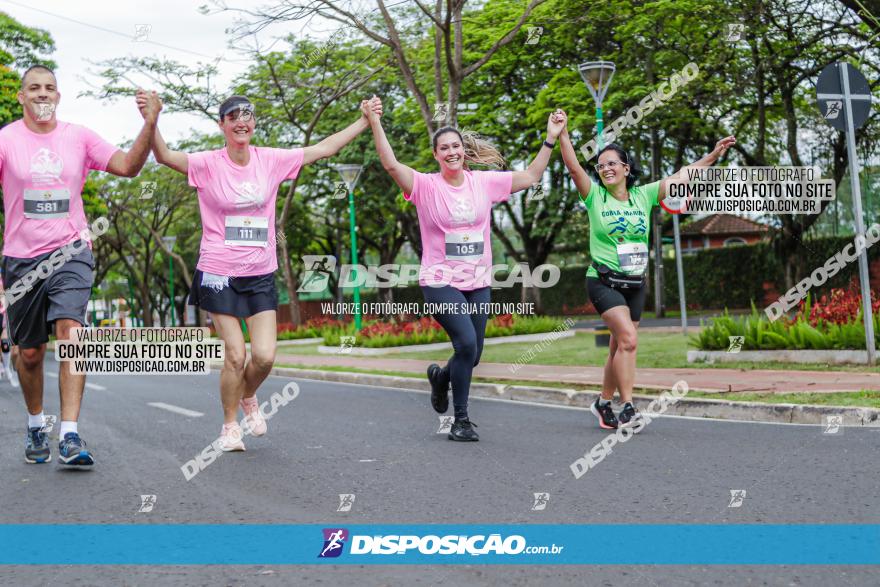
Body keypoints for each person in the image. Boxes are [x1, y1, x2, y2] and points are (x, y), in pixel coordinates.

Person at [151, 95, 372, 451]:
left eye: (248, 116)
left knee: (265, 356)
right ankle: (228, 427)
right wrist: (152, 120)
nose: (241, 122)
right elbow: (164, 156)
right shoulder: (207, 163)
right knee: (236, 354)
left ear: (254, 124)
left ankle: (248, 394)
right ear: (222, 125)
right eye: (233, 117)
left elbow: (324, 148)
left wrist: (364, 120)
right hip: (218, 272)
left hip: (258, 274)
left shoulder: (271, 160)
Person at [363, 95, 566, 441]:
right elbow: (391, 165)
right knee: (467, 343)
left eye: (456, 146)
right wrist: (375, 122)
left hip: (478, 281)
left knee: (471, 354)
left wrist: (551, 137)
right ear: (436, 155)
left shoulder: (483, 183)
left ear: (463, 150)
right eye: (444, 148)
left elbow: (532, 176)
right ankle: (461, 420)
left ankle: (442, 378)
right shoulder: (425, 186)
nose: (452, 152)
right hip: (439, 281)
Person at [0, 65, 160, 465]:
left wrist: (149, 123)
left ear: (58, 96)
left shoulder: (79, 137)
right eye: (33, 88)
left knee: (72, 335)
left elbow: (127, 166)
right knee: (31, 353)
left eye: (49, 88)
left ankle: (69, 435)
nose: (42, 94)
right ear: (21, 97)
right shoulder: (5, 140)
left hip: (71, 251)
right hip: (21, 259)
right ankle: (37, 423)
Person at [559, 119, 734, 429]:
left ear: (627, 168)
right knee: (628, 339)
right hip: (602, 280)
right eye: (600, 165)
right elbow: (574, 169)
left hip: (635, 283)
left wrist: (712, 156)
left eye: (612, 163)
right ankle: (627, 405)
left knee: (618, 346)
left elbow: (682, 176)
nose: (605, 168)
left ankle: (603, 402)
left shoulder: (644, 195)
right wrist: (560, 135)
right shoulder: (594, 197)